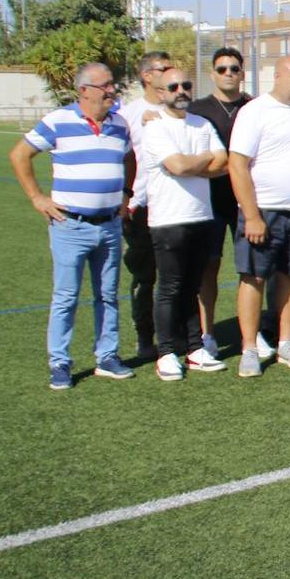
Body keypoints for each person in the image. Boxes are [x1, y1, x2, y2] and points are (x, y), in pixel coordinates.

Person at [10, 62, 136, 389]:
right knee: (66, 296)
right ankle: (60, 362)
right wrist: (38, 198)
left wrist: (125, 194)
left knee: (108, 295)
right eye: (105, 86)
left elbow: (129, 158)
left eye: (112, 85)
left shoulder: (119, 124)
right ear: (84, 91)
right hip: (70, 226)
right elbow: (20, 155)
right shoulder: (58, 121)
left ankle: (107, 357)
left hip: (109, 225)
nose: (112, 91)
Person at [228, 55, 290, 378]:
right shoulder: (255, 111)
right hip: (265, 211)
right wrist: (252, 215)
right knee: (253, 277)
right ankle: (250, 348)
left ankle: (284, 343)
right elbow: (237, 164)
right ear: (277, 76)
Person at [143, 68, 229, 380]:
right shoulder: (155, 127)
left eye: (186, 85)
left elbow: (224, 163)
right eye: (173, 86)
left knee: (192, 287)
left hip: (201, 217)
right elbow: (176, 165)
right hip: (168, 220)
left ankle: (195, 349)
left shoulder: (202, 123)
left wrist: (191, 164)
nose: (181, 90)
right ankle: (166, 352)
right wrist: (202, 159)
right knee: (169, 287)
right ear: (160, 92)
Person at [187, 47, 251, 357]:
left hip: (246, 201)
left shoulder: (254, 107)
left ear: (242, 72)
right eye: (222, 68)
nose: (228, 73)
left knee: (251, 270)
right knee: (208, 268)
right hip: (208, 202)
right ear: (213, 73)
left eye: (234, 68)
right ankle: (207, 333)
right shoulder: (197, 109)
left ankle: (250, 333)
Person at [119, 50, 173, 361]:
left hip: (176, 208)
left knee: (178, 277)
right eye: (161, 69)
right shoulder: (128, 115)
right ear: (146, 76)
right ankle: (145, 337)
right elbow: (122, 160)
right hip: (142, 208)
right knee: (145, 276)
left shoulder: (180, 110)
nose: (168, 74)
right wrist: (126, 199)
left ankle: (178, 335)